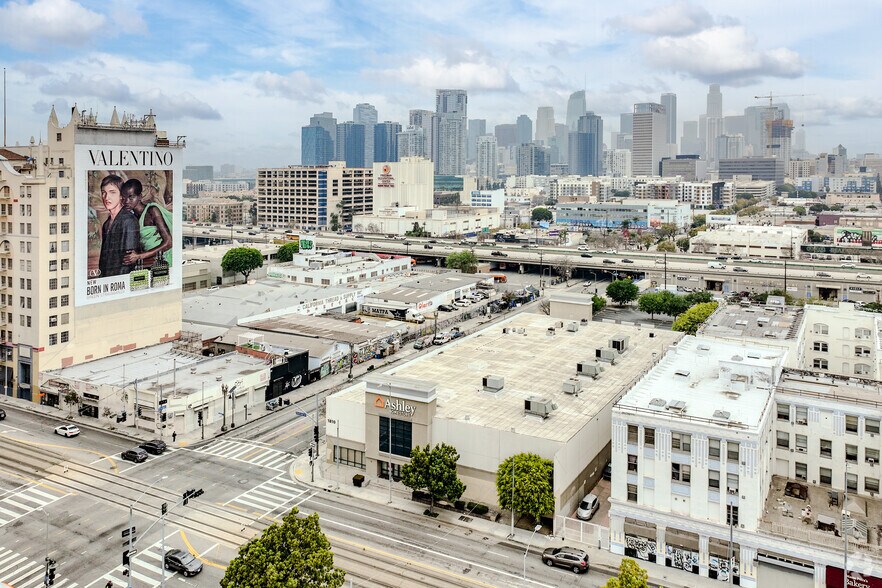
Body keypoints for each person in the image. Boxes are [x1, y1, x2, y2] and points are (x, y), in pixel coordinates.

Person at [121, 179, 173, 267]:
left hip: (165, 260)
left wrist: (139, 256)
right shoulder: (131, 216)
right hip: (150, 261)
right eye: (123, 197)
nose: (126, 201)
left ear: (140, 196)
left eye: (131, 197)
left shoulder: (152, 211)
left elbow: (169, 242)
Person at [98, 175, 140, 278]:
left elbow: (128, 262)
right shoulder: (106, 224)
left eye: (112, 192)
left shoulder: (128, 220)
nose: (106, 197)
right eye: (104, 192)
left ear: (121, 195)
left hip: (121, 280)